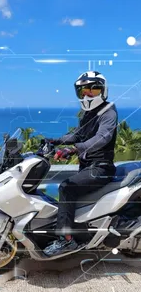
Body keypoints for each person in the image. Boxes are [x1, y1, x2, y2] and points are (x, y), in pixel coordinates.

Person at [43, 71, 118, 257]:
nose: (87, 95)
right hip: (87, 167)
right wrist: (55, 140)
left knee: (66, 188)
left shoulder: (108, 112)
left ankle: (66, 241)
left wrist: (75, 149)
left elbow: (102, 138)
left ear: (103, 90)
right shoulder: (88, 114)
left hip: (101, 168)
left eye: (93, 91)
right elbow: (78, 135)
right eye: (83, 91)